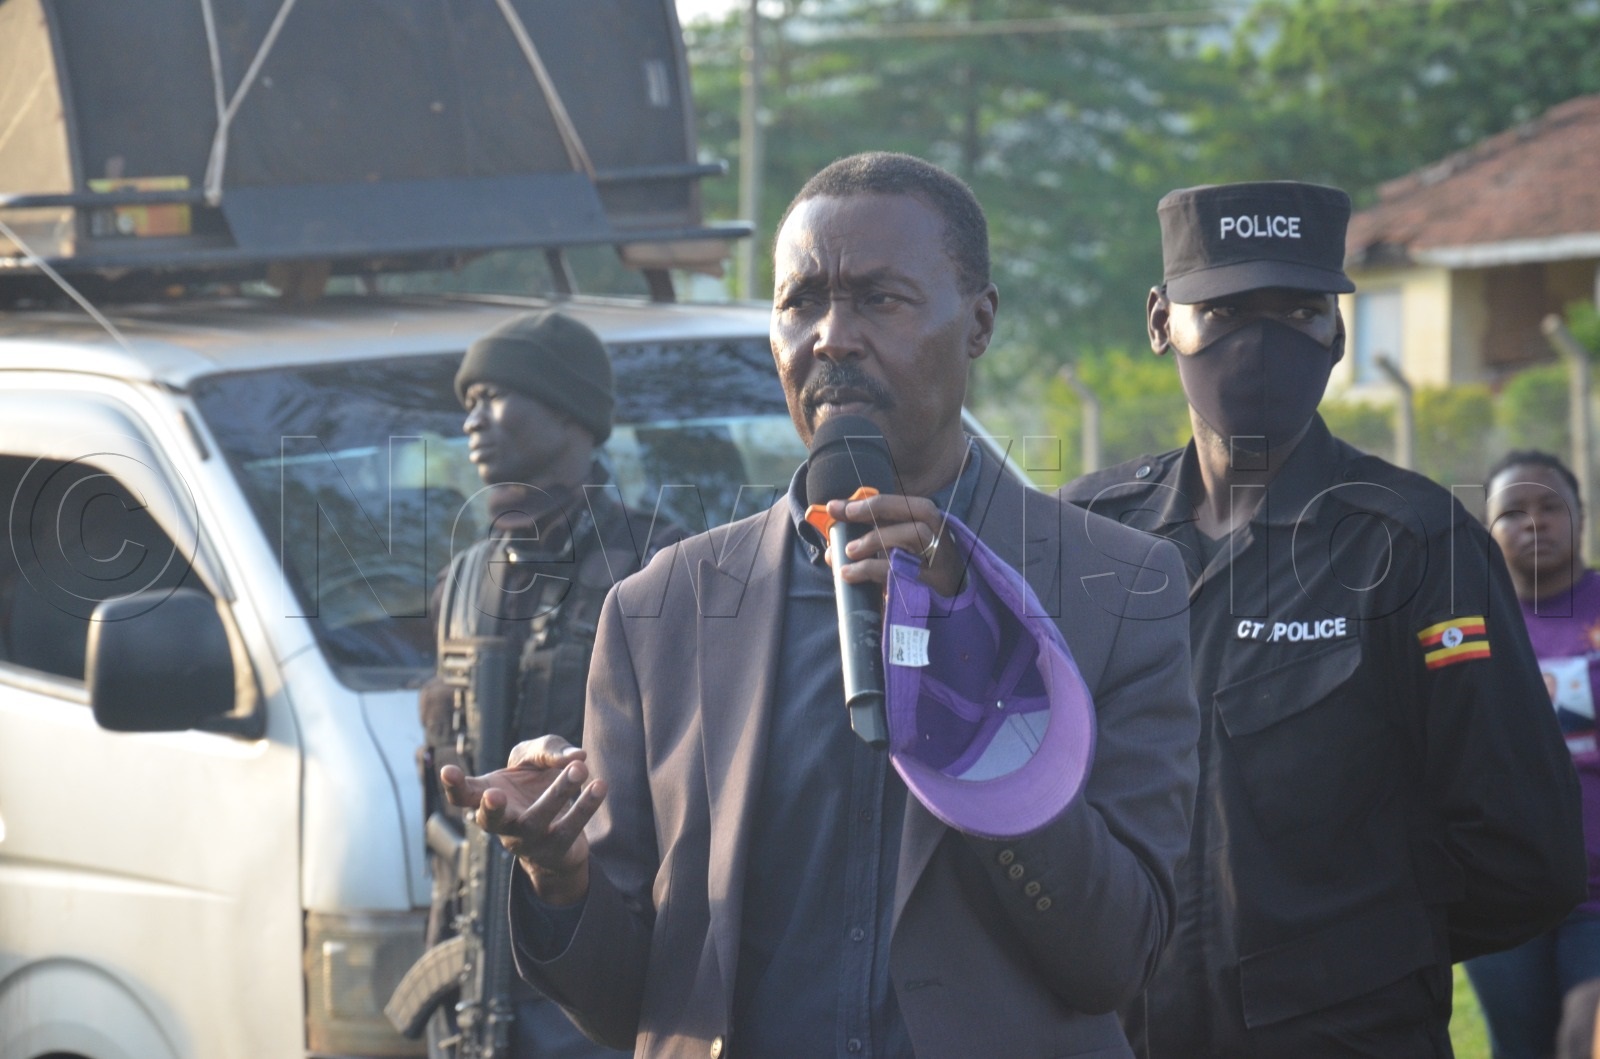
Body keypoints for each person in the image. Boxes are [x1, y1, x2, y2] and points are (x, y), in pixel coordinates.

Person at [439, 151, 1201, 1057]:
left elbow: (1115, 959)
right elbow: (634, 1005)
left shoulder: (1117, 586)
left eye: (880, 299)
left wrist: (981, 694)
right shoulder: (659, 612)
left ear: (979, 323)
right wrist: (559, 873)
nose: (832, 337)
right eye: (801, 302)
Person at [1060, 180, 1586, 1057]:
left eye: (1298, 311)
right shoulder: (1088, 536)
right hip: (1121, 1032)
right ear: (1160, 322)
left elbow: (1526, 851)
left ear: (1337, 334)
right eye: (1225, 311)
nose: (1261, 342)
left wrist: (1357, 951)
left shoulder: (1418, 542)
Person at [415, 310, 681, 1058]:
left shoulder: (657, 564)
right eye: (467, 400)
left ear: (568, 409)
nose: (472, 417)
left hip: (597, 946)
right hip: (475, 952)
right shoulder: (463, 582)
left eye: (494, 395)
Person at [1466, 450, 1600, 1059]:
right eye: (1513, 512)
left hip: (1596, 894)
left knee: (1583, 1039)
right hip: (1502, 891)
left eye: (1552, 507)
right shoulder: (1460, 626)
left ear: (1581, 517)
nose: (1535, 522)